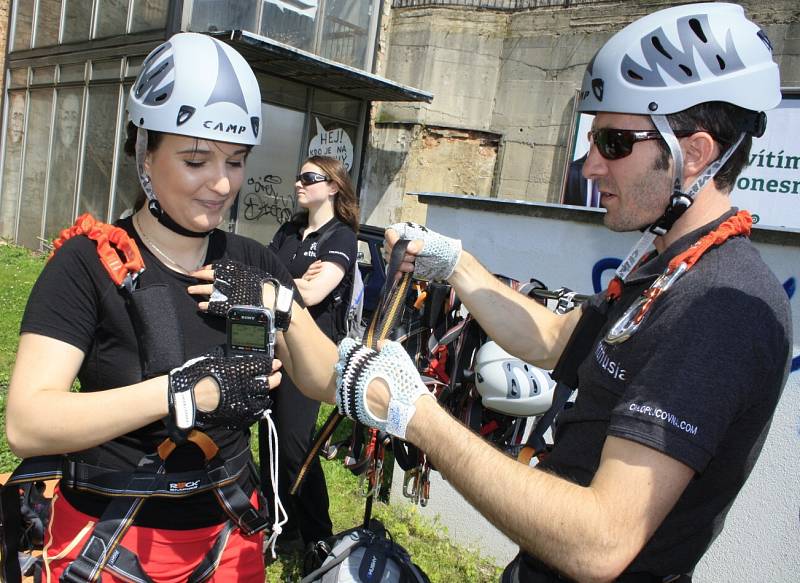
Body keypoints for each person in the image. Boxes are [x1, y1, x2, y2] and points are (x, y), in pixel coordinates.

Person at [321, 4, 792, 582]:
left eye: (613, 142)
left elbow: (600, 543)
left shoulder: (719, 309)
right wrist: (459, 267)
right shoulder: (663, 262)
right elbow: (553, 340)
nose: (589, 165)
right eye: (593, 139)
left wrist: (416, 415)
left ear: (692, 153)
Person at [4, 32, 340, 582]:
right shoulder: (91, 264)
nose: (221, 183)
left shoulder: (253, 262)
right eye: (195, 160)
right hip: (109, 543)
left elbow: (323, 378)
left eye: (236, 161)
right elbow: (27, 422)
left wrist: (280, 305)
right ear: (145, 151)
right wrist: (184, 392)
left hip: (229, 537)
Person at [263, 155, 359, 549]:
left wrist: (277, 283)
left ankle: (318, 535)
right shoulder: (290, 231)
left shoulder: (341, 237)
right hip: (273, 345)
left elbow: (315, 293)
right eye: (298, 176)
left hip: (310, 355)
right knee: (269, 438)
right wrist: (291, 281)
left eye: (309, 177)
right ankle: (279, 525)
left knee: (295, 444)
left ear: (333, 186)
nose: (298, 183)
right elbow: (268, 276)